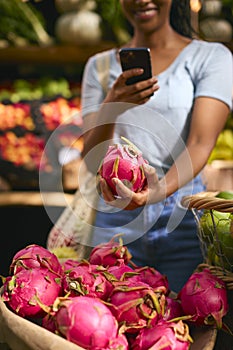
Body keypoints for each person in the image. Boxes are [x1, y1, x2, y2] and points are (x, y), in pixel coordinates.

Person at [80, 0, 233, 292]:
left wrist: (158, 191)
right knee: (117, 318)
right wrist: (113, 105)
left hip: (184, 213)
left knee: (186, 317)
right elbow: (90, 161)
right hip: (115, 215)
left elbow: (201, 143)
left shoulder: (210, 57)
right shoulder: (99, 67)